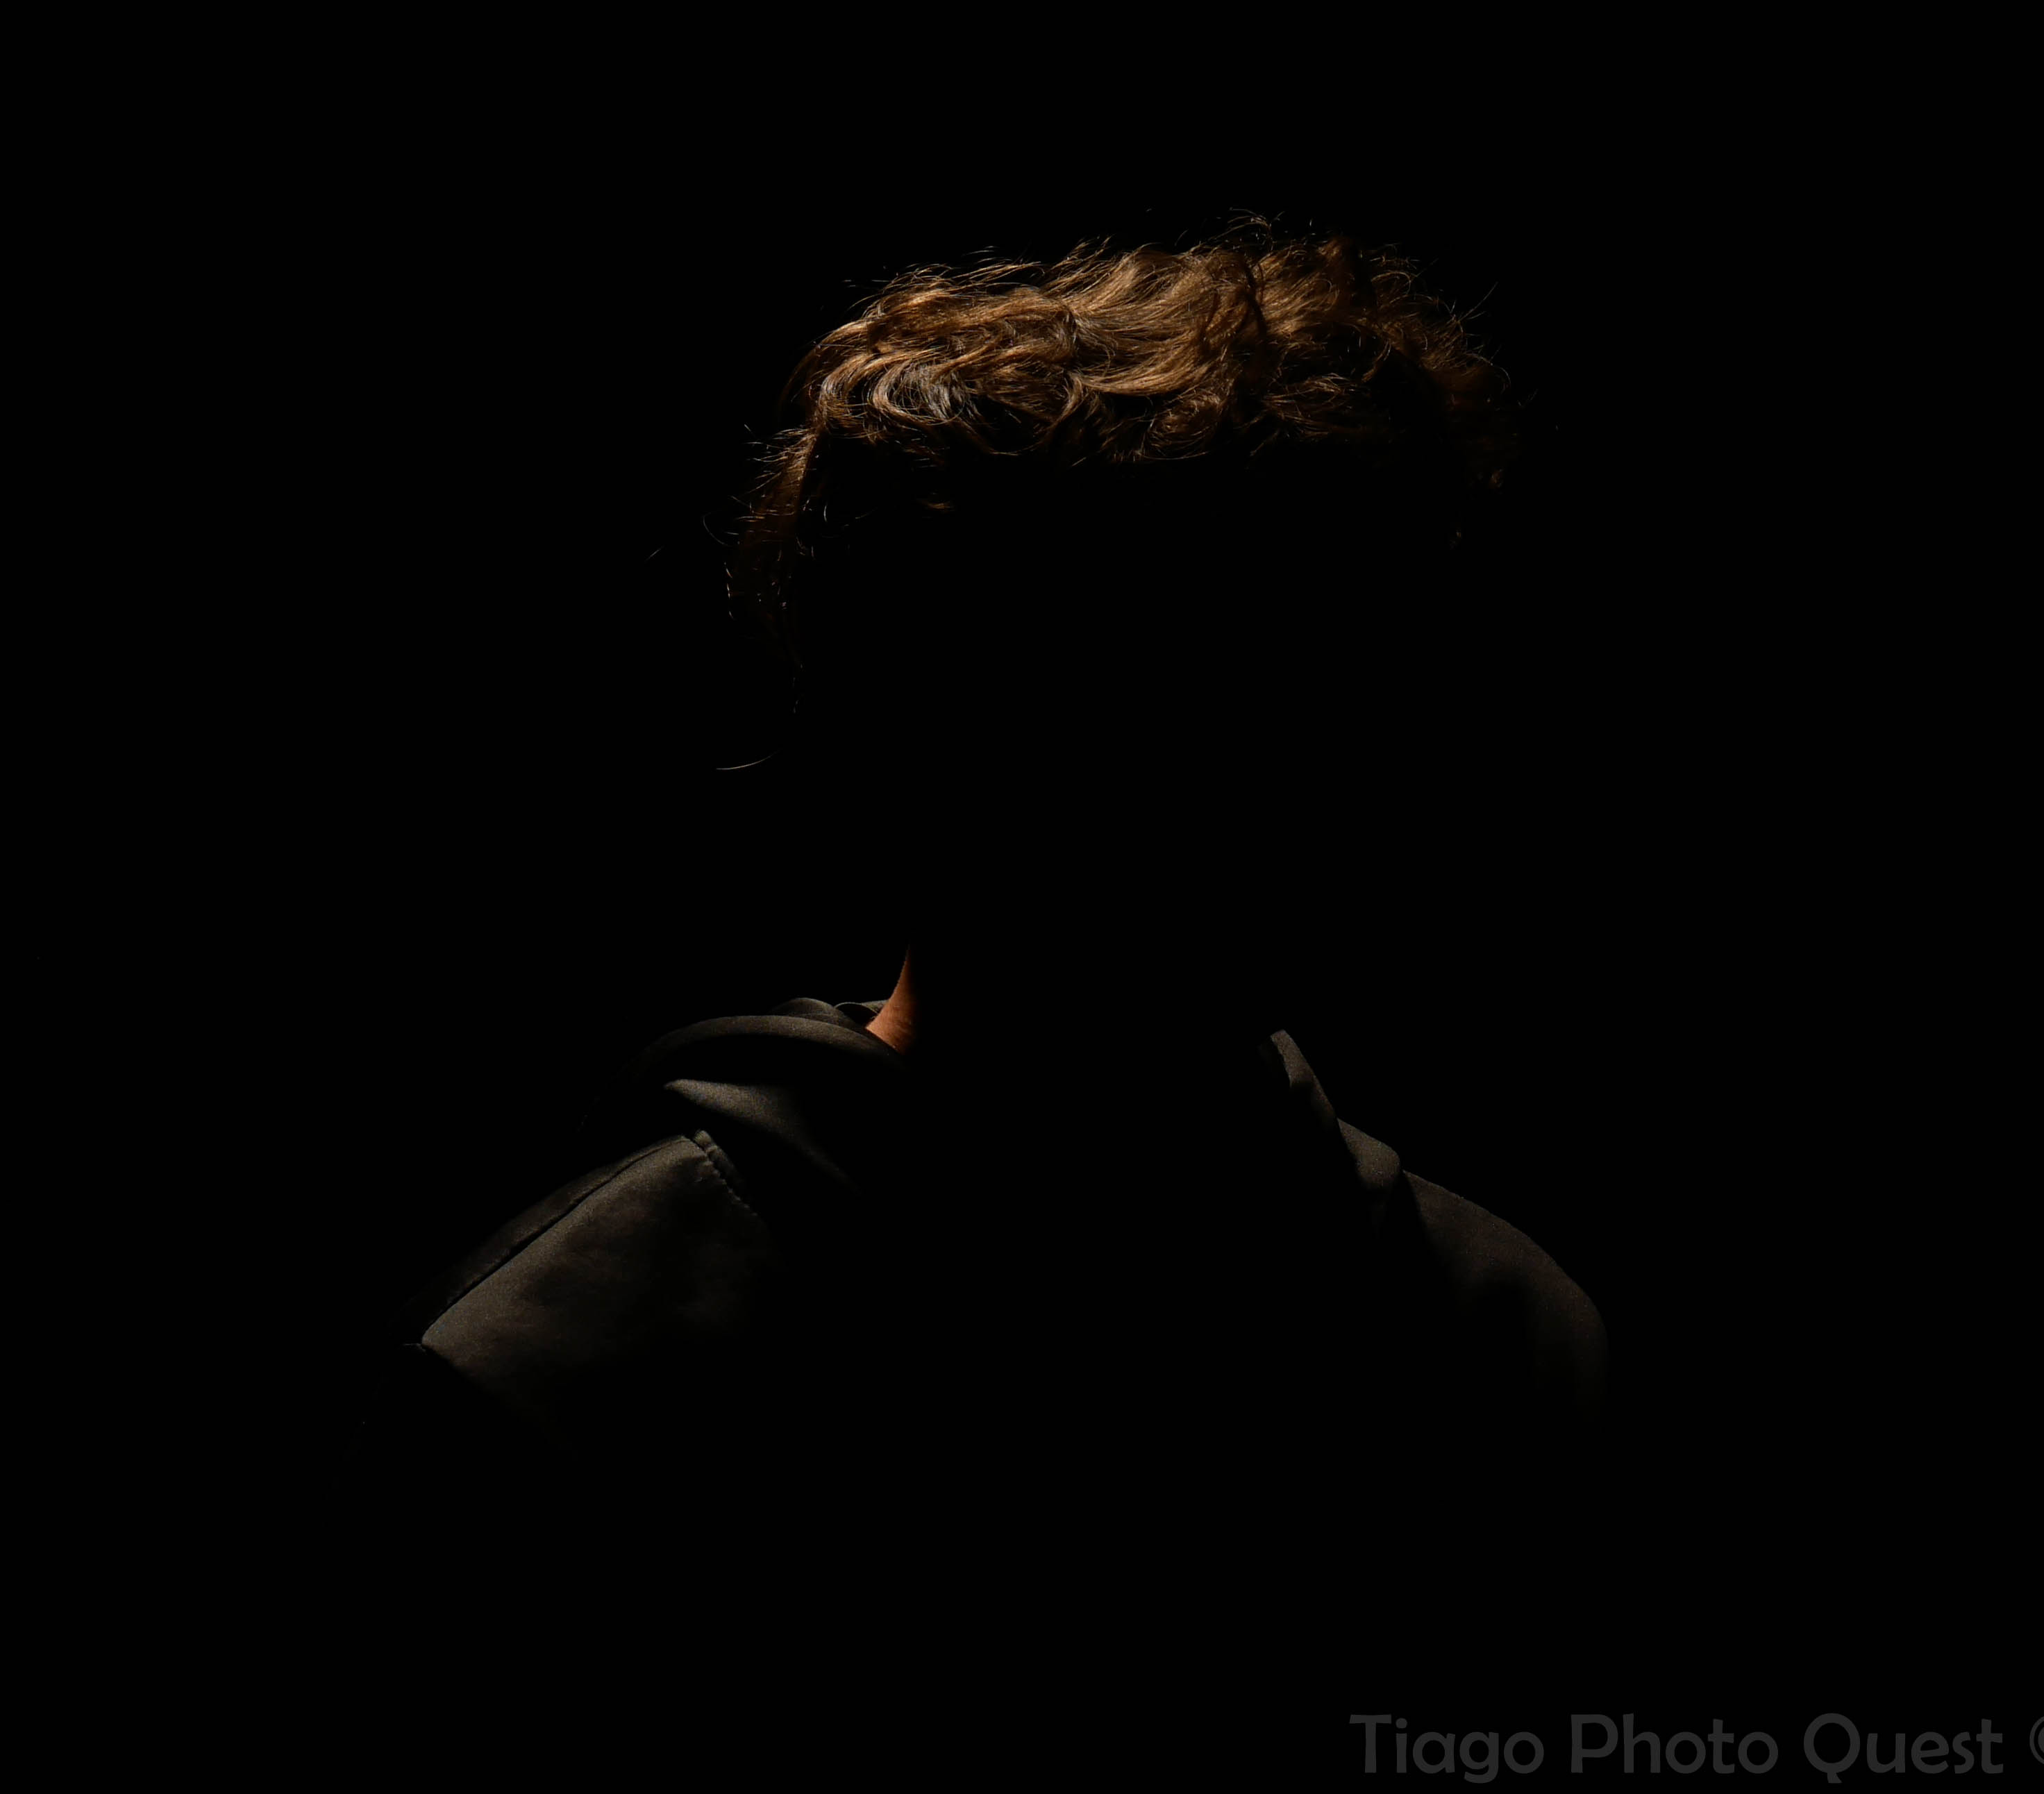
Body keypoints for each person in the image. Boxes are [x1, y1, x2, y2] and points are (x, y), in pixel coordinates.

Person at [331, 219, 1607, 1724]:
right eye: (1161, 696)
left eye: (1329, 682)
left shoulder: (1506, 1342)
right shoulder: (566, 1378)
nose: (1297, 777)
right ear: (923, 736)